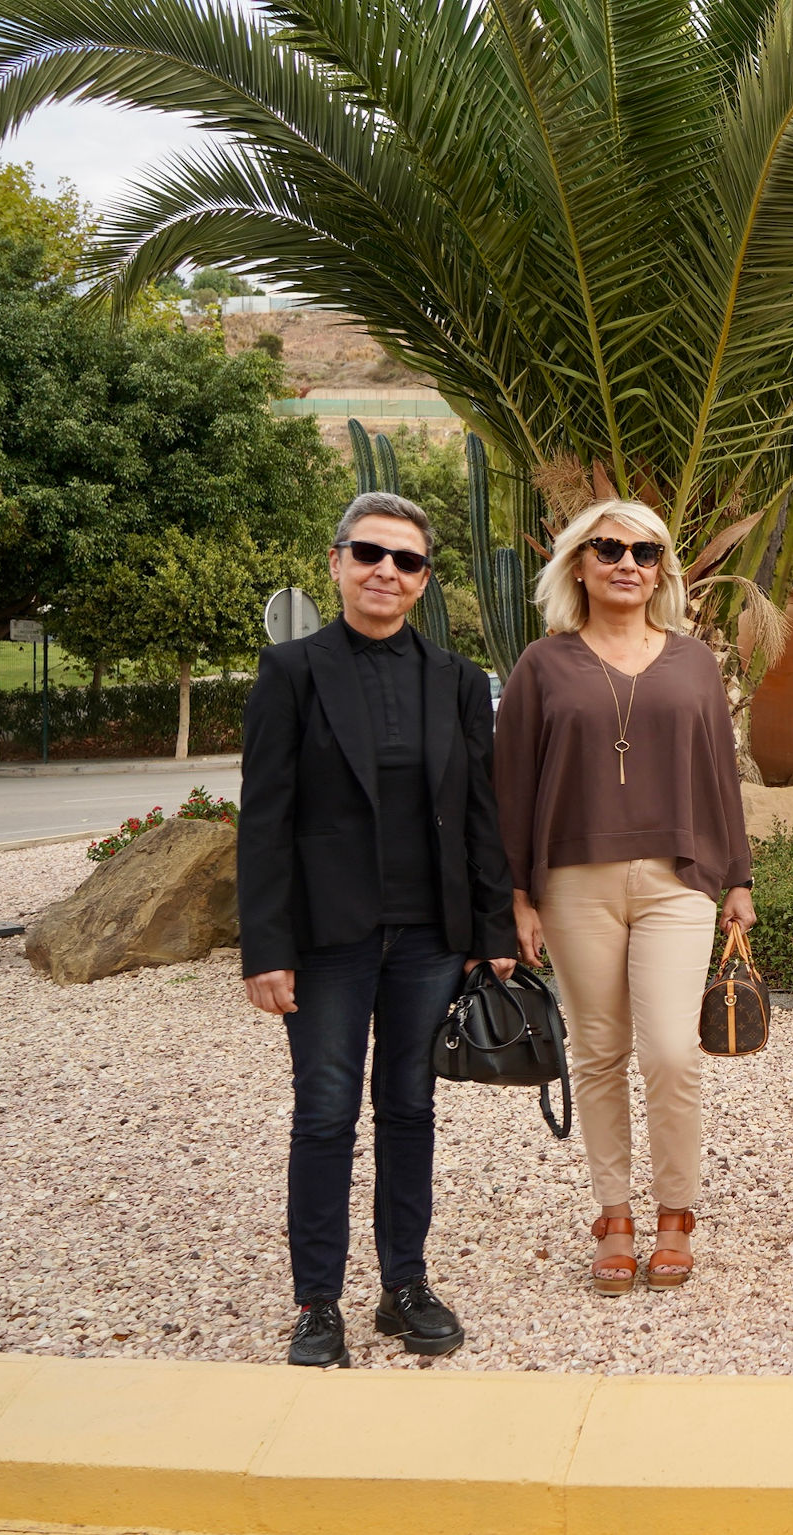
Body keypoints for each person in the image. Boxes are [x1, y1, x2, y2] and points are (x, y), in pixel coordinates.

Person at [239, 491, 518, 1368]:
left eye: (406, 562)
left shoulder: (459, 680)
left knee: (409, 1108)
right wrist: (266, 947)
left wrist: (493, 925)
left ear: (425, 580)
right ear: (337, 562)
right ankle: (318, 1301)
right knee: (324, 1114)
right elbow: (265, 819)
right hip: (327, 940)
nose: (386, 573)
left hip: (428, 940)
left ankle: (404, 1285)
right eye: (370, 554)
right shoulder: (291, 673)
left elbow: (482, 813)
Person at [493, 500, 754, 1297]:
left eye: (645, 551)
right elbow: (510, 786)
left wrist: (737, 878)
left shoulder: (693, 662)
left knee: (672, 1053)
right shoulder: (542, 664)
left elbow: (719, 777)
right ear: (579, 563)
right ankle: (614, 1215)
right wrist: (516, 894)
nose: (626, 563)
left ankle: (677, 1211)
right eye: (608, 548)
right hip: (573, 883)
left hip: (678, 882)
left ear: (663, 570)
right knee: (599, 1055)